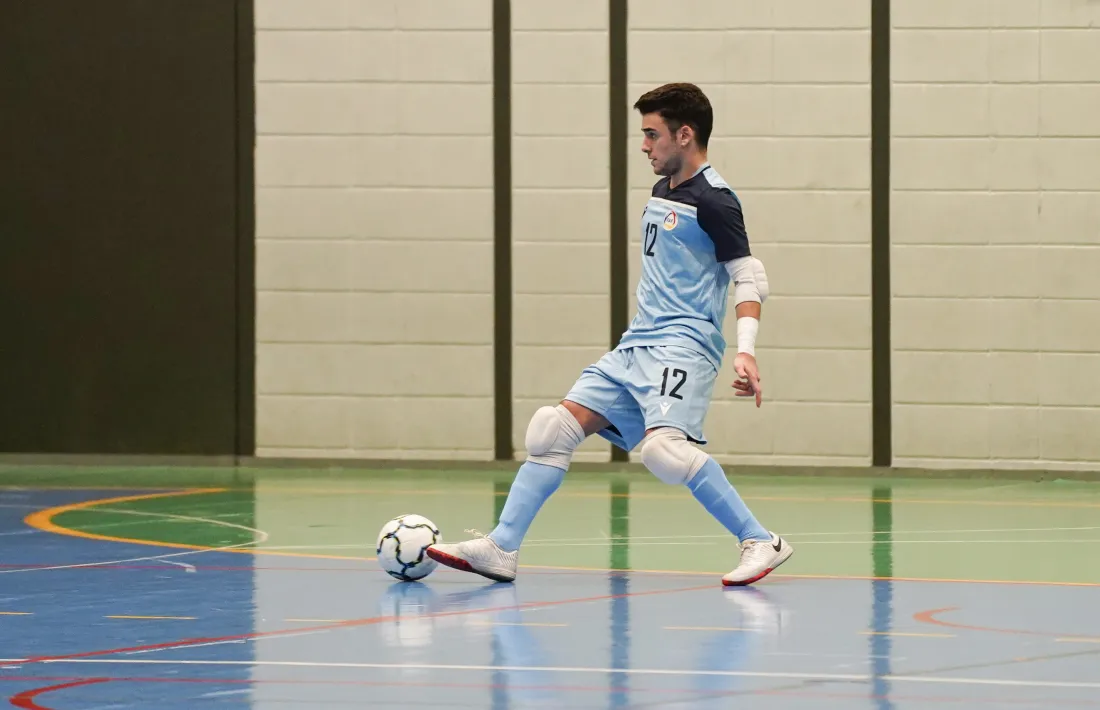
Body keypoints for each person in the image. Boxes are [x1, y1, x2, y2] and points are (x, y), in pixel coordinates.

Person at [427, 83, 793, 587]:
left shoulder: (715, 200)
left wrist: (746, 351)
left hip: (683, 345)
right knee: (551, 430)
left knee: (664, 453)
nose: (644, 146)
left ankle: (761, 541)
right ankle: (500, 547)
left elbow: (749, 276)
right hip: (637, 343)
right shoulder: (664, 190)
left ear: (685, 135)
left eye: (652, 135)